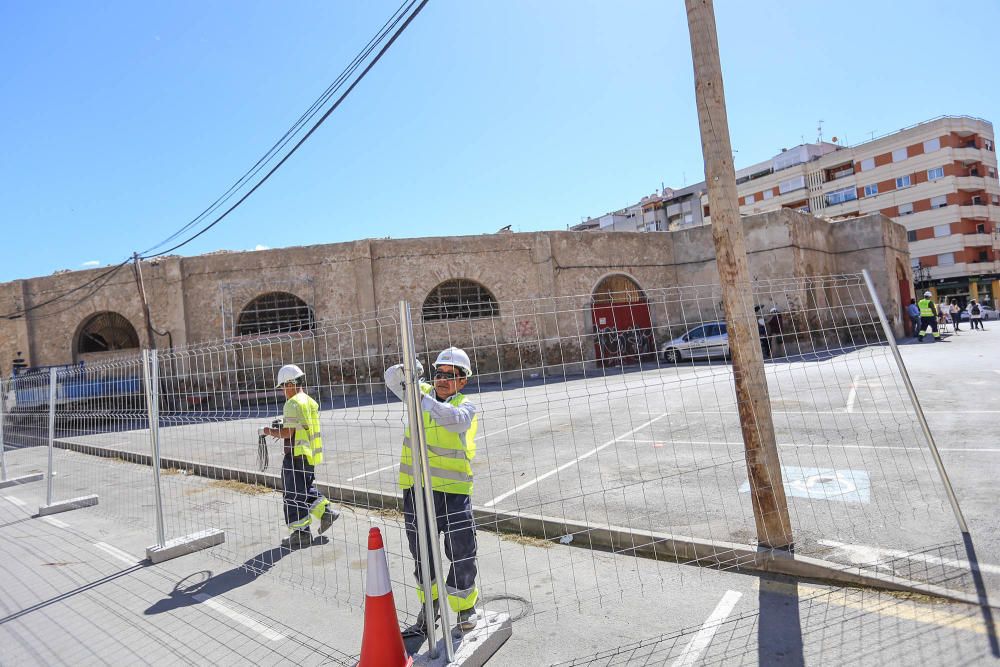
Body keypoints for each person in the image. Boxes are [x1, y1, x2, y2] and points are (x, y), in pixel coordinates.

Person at [384, 347, 480, 636]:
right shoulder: (420, 391)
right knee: (422, 555)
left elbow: (453, 420)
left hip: (453, 493)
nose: (443, 379)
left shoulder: (465, 406)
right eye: (439, 373)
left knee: (462, 552)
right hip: (418, 493)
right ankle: (430, 610)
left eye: (451, 375)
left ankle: (464, 609)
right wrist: (411, 369)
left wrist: (418, 394)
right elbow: (391, 377)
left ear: (463, 381)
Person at [263, 364, 338, 549]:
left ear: (290, 383)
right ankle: (326, 512)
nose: (282, 391)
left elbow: (288, 433)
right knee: (304, 490)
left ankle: (301, 533)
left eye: (282, 386)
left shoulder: (292, 403)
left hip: (295, 455)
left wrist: (269, 431)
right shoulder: (310, 401)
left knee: (292, 494)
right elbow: (301, 426)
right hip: (309, 455)